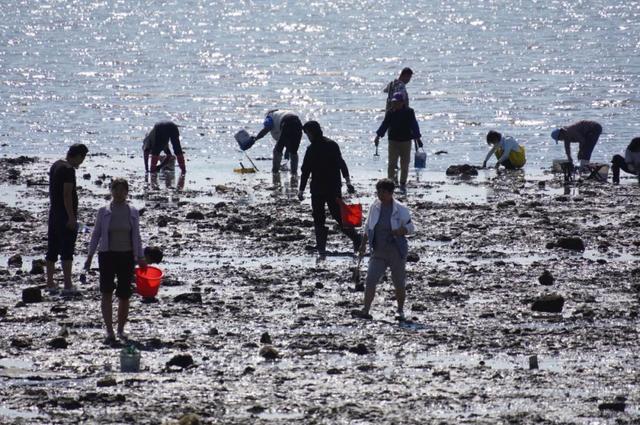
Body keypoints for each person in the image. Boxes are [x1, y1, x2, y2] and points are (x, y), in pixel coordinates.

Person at [85, 178, 146, 343]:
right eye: (115, 190)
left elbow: (137, 236)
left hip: (127, 256)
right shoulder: (103, 211)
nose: (119, 193)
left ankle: (120, 329)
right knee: (106, 292)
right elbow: (96, 234)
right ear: (111, 191)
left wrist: (140, 257)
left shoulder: (132, 212)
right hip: (107, 255)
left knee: (124, 294)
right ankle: (109, 331)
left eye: (122, 190)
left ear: (127, 192)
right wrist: (89, 256)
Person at [353, 178, 415, 321]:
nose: (380, 195)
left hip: (396, 251)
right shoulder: (374, 207)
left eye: (384, 192)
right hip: (378, 251)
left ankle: (400, 310)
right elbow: (368, 227)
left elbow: (411, 228)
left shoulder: (401, 209)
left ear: (391, 193)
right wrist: (363, 245)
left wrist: (401, 230)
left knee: (398, 281)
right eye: (378, 192)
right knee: (370, 280)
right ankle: (366, 310)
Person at [297, 121, 360, 259]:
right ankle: (353, 240)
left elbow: (305, 171)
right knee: (337, 215)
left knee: (322, 216)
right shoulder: (331, 145)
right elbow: (341, 164)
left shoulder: (312, 149)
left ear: (312, 132)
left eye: (307, 133)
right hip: (331, 187)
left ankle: (326, 247)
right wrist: (348, 181)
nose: (306, 136)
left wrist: (301, 190)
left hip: (320, 189)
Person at [45, 143, 89, 295]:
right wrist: (71, 217)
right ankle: (68, 284)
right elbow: (67, 194)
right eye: (82, 159)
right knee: (67, 249)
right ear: (78, 156)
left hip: (54, 213)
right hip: (65, 215)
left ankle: (50, 282)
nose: (81, 162)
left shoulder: (56, 165)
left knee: (52, 248)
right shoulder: (69, 170)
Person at [374, 93, 422, 193]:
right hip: (393, 141)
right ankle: (390, 184)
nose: (394, 104)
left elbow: (414, 125)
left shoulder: (409, 112)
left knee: (405, 164)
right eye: (393, 102)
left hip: (406, 141)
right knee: (392, 163)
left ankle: (403, 183)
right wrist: (378, 136)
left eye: (396, 102)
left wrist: (418, 138)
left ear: (402, 102)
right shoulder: (390, 112)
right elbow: (385, 125)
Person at [246, 109, 303, 175]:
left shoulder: (270, 116)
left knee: (277, 150)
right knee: (293, 151)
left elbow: (266, 129)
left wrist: (255, 139)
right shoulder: (281, 113)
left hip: (286, 122)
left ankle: (275, 171)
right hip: (298, 123)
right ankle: (294, 173)